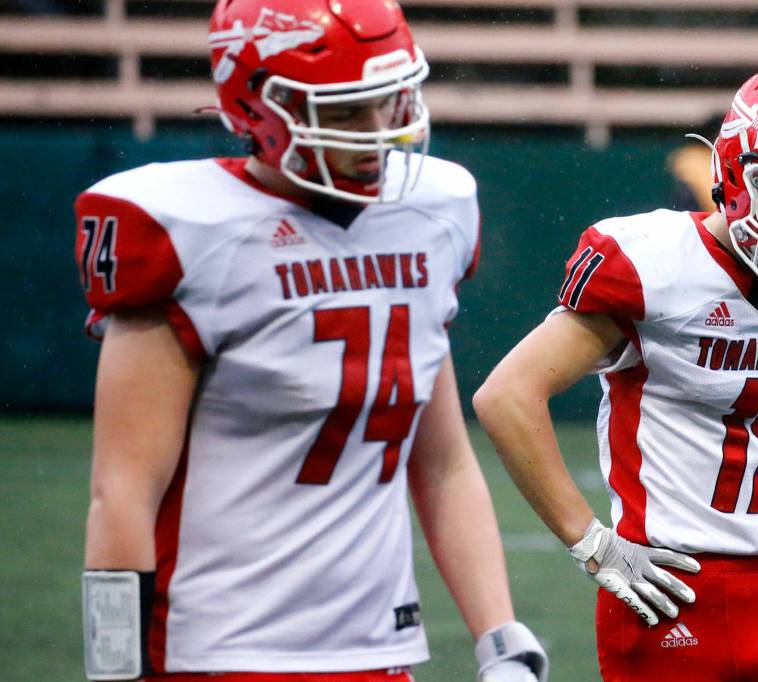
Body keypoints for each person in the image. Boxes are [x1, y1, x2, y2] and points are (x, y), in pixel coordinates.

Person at [76, 0, 548, 680]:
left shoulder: (430, 214)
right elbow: (122, 491)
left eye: (387, 102)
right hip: (220, 653)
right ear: (260, 109)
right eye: (346, 111)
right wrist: (115, 671)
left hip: (378, 649)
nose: (379, 132)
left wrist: (500, 636)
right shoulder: (190, 231)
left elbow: (441, 462)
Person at [473, 64, 758, 682]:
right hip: (669, 599)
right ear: (741, 180)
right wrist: (591, 542)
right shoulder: (654, 265)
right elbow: (506, 397)